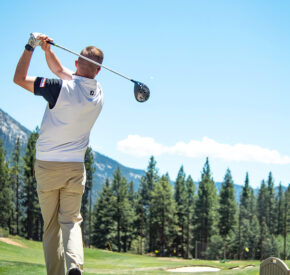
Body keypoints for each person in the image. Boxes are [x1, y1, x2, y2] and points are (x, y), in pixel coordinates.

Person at [13, 33, 104, 275]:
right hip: (75, 168)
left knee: (52, 226)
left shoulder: (57, 88)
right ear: (98, 72)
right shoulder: (98, 93)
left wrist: (30, 47)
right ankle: (74, 266)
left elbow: (18, 78)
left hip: (48, 166)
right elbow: (63, 72)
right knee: (71, 221)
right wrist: (47, 51)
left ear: (76, 63)